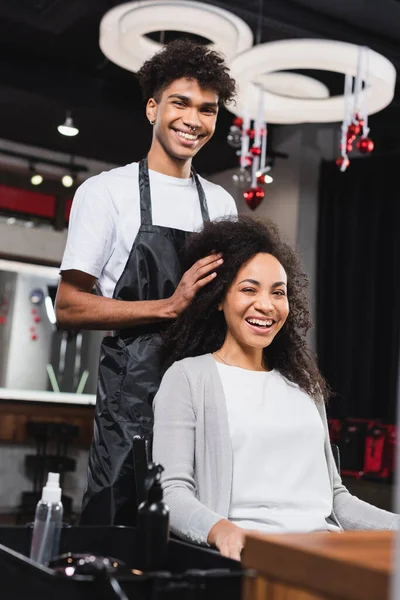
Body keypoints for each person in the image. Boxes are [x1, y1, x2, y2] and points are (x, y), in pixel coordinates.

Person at [55, 39, 237, 525]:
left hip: (203, 389)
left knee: (198, 523)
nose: (194, 120)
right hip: (131, 392)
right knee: (120, 521)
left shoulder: (220, 203)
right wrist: (168, 306)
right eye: (180, 102)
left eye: (208, 109)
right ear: (153, 108)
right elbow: (69, 306)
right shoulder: (105, 193)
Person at [153, 216, 400, 561]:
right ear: (219, 298)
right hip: (249, 558)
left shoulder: (305, 385)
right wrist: (222, 530)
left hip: (323, 553)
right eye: (249, 289)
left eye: (278, 292)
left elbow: (335, 499)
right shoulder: (189, 378)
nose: (266, 305)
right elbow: (171, 492)